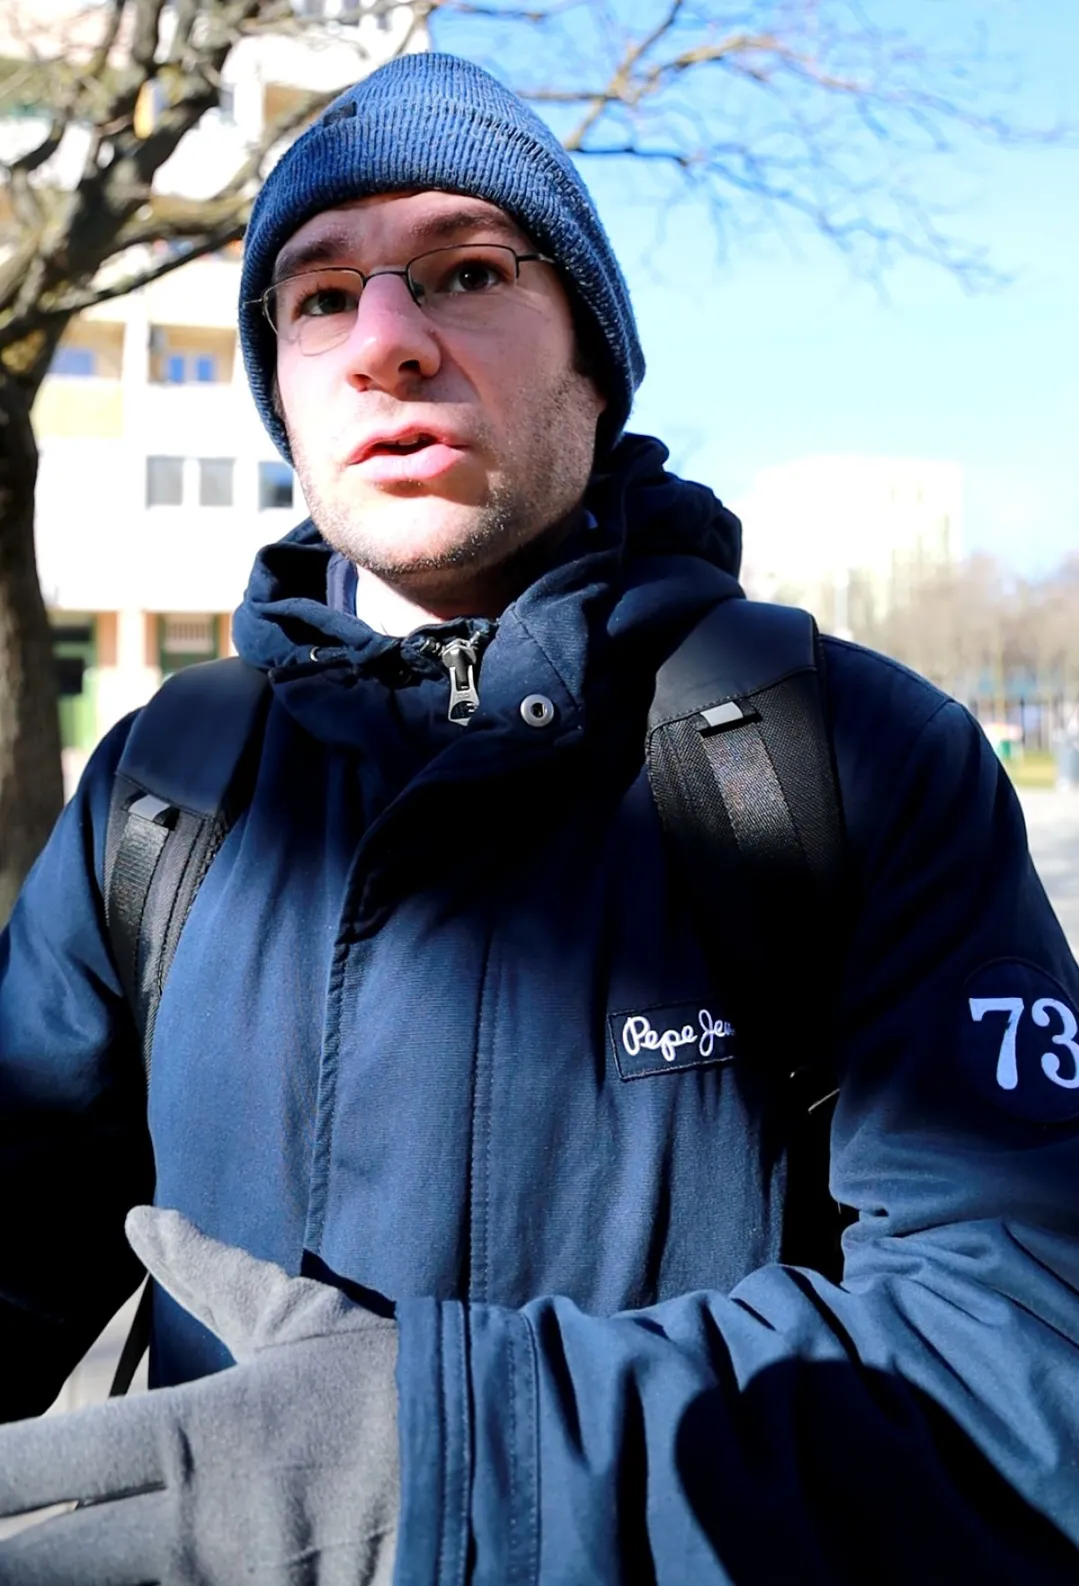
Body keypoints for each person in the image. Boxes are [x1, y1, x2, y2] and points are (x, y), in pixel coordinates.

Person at [2, 50, 1079, 1586]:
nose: (385, 341)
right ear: (283, 395)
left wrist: (460, 1460)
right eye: (319, 298)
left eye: (467, 269)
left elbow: (1024, 1364)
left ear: (593, 358)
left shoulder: (850, 755)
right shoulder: (159, 784)